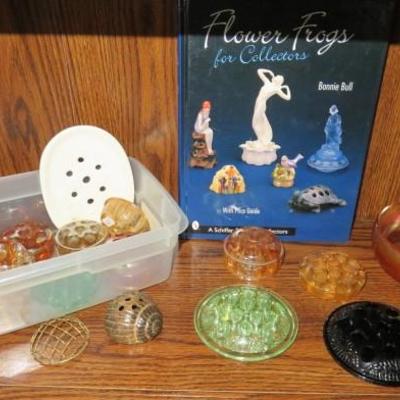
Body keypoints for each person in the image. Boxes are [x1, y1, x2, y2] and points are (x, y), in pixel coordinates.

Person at [252, 69, 291, 145]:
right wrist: (269, 71)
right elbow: (259, 71)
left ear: (279, 81)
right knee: (259, 122)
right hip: (257, 103)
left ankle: (262, 139)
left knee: (255, 122)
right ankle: (261, 139)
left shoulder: (276, 89)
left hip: (261, 104)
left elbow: (288, 98)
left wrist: (287, 88)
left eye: (277, 77)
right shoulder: (267, 82)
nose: (275, 76)